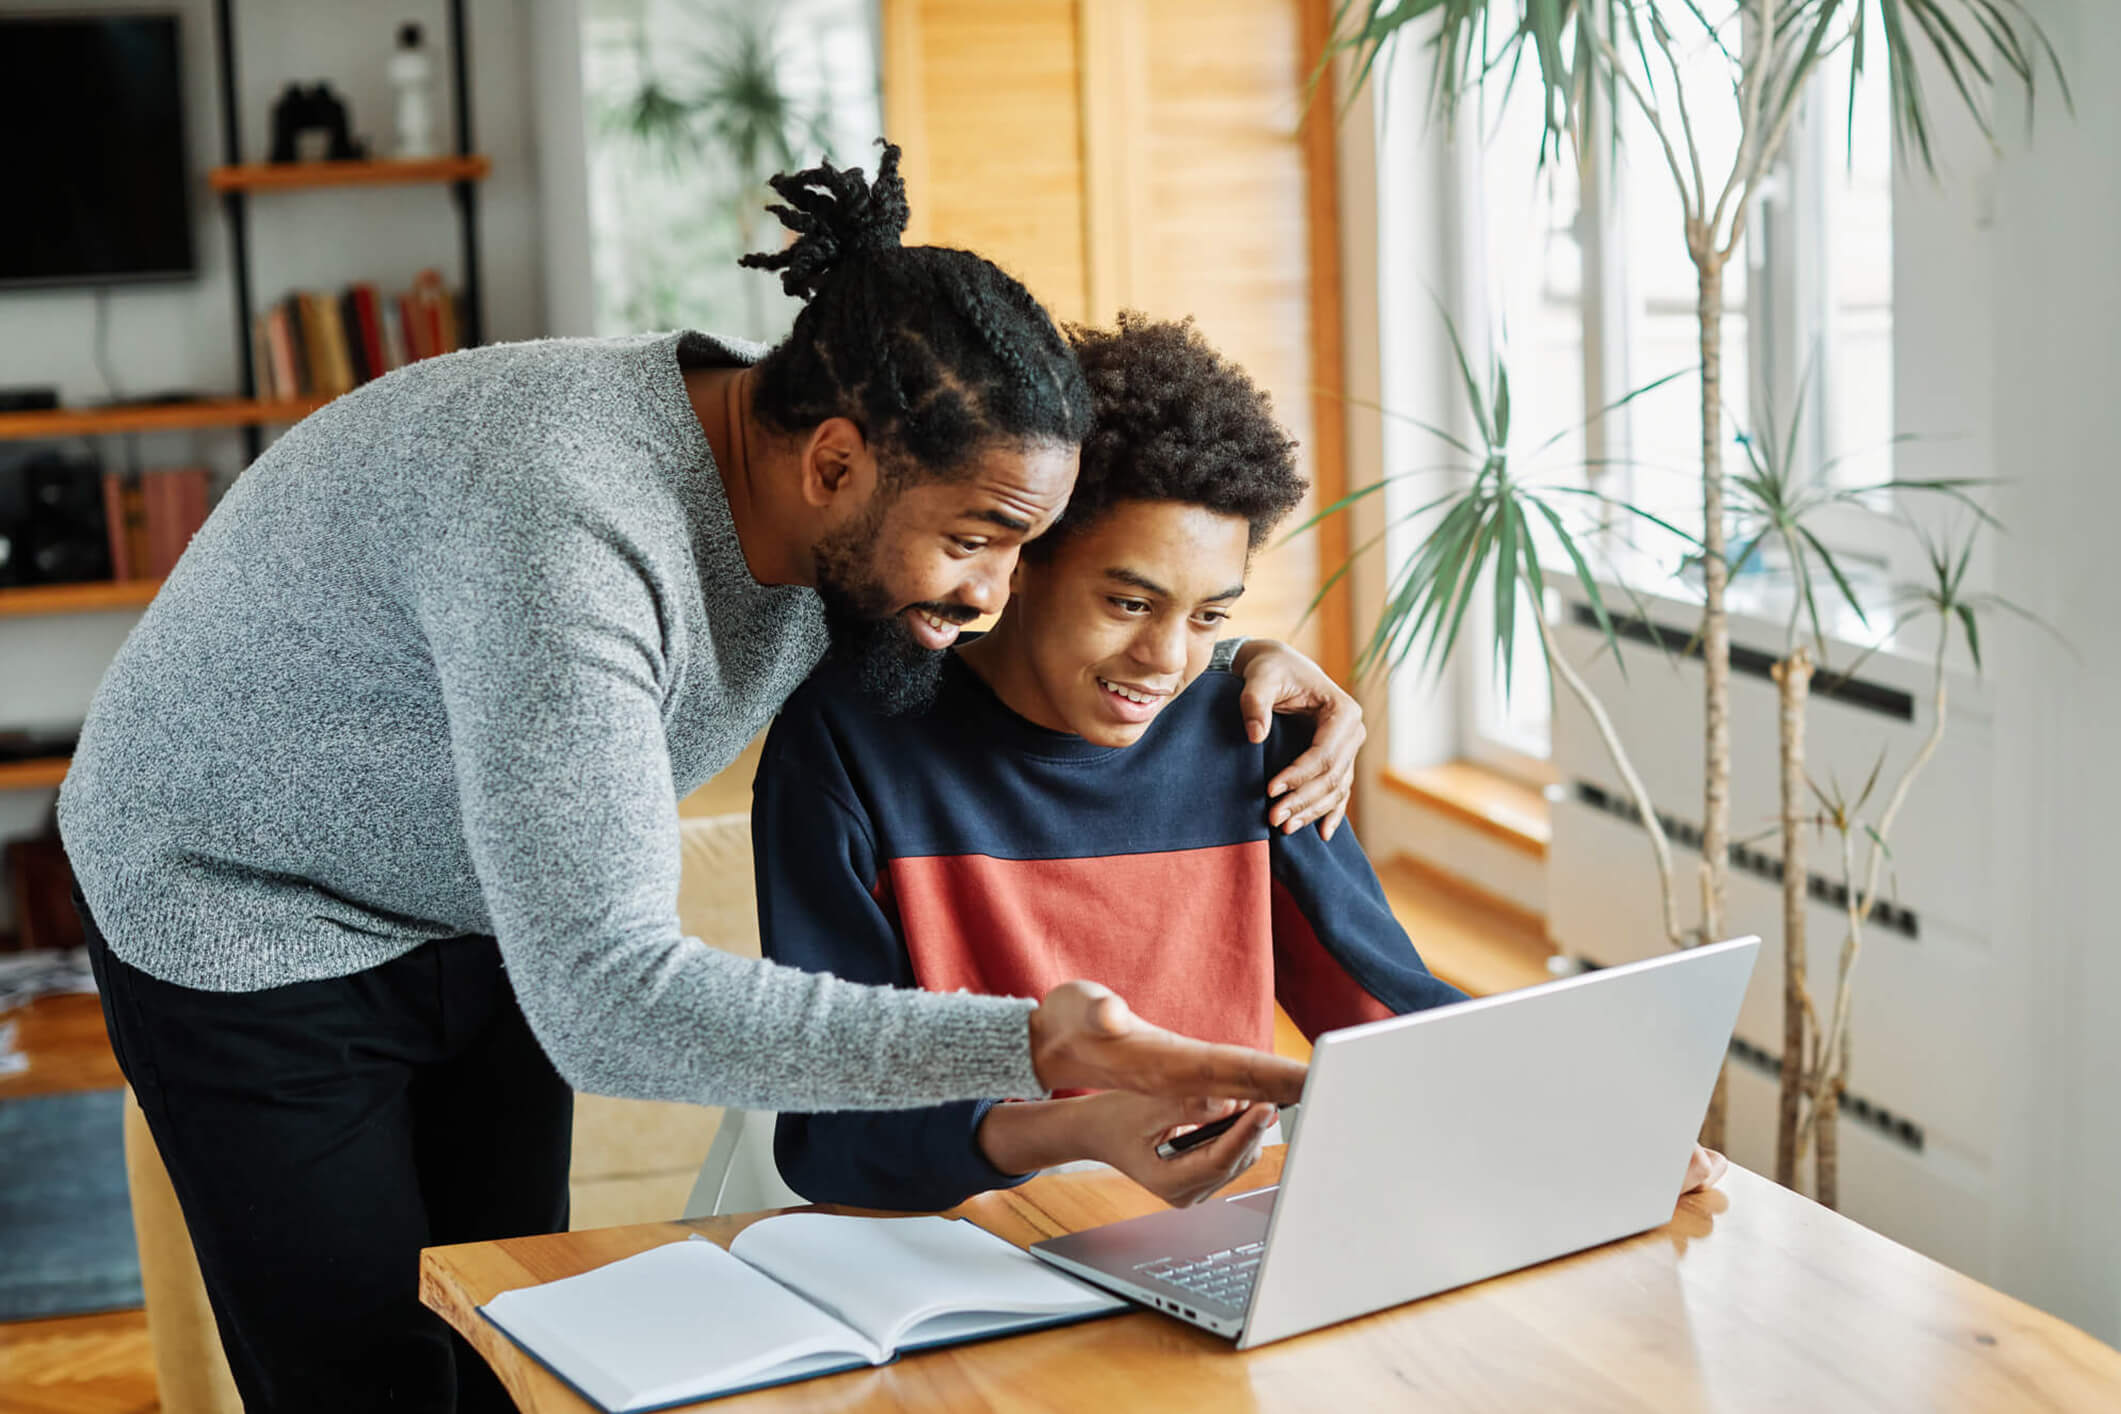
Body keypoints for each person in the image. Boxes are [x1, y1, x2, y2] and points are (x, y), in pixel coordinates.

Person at [55, 148, 1349, 1414]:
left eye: (1016, 549)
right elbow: (609, 1004)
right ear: (833, 463)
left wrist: (1234, 664)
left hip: (484, 891)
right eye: (976, 543)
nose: (987, 592)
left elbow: (1044, 627)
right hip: (244, 896)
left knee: (505, 1325)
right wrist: (1037, 1044)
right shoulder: (572, 530)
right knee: (368, 1374)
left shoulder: (863, 489)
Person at [755, 314, 1729, 1212]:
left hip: (1206, 1247)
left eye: (1211, 615)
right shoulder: (847, 747)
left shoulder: (1255, 730)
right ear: (1022, 556)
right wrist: (1079, 1128)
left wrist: (1585, 1121)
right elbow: (835, 1137)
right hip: (955, 1250)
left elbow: (1383, 1010)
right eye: (1129, 604)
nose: (1168, 660)